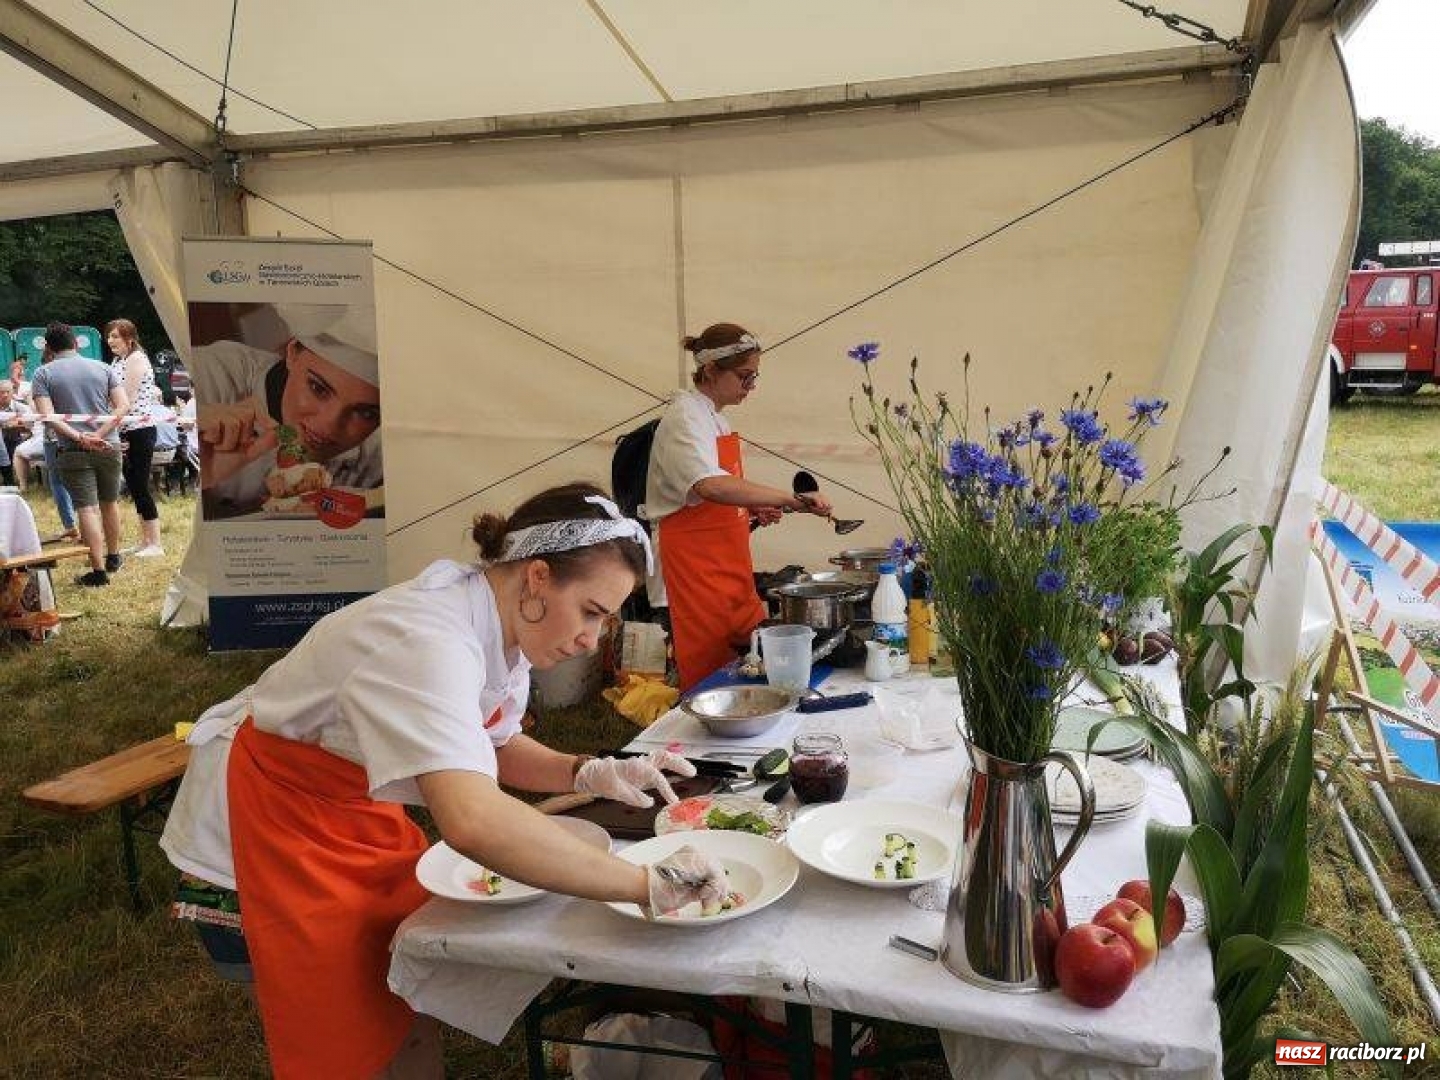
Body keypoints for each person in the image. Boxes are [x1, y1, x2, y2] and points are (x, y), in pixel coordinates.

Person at [159, 481, 729, 1079]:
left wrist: (585, 770)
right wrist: (641, 884)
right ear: (537, 577)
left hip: (349, 807)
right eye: (591, 611)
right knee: (336, 1023)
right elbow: (473, 821)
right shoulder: (428, 641)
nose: (592, 639)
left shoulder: (500, 620)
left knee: (407, 991)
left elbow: (493, 741)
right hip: (269, 820)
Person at [645, 323, 833, 690]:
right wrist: (786, 498)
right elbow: (709, 485)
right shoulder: (684, 417)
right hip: (696, 561)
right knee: (710, 654)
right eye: (745, 377)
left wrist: (749, 510)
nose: (752, 387)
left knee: (744, 644)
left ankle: (748, 711)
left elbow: (715, 491)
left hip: (728, 559)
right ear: (712, 370)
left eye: (755, 377)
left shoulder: (715, 418)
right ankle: (708, 719)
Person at [191, 306, 383, 519]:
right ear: (292, 354)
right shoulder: (203, 377)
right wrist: (195, 471)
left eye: (366, 414)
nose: (329, 426)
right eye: (318, 388)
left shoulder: (382, 453)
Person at [30, 323, 127, 586]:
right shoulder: (104, 368)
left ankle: (97, 572)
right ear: (76, 342)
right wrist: (100, 433)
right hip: (108, 445)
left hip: (72, 449)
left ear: (48, 347)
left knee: (87, 508)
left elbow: (48, 417)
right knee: (110, 502)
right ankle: (114, 556)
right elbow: (123, 406)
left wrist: (80, 437)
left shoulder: (42, 374)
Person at [104, 319, 165, 556]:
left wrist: (107, 421)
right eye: (109, 336)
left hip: (140, 429)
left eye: (116, 336)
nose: (111, 341)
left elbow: (126, 399)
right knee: (133, 485)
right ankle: (145, 540)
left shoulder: (136, 359)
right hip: (126, 428)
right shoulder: (118, 360)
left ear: (130, 338)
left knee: (140, 485)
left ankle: (156, 543)